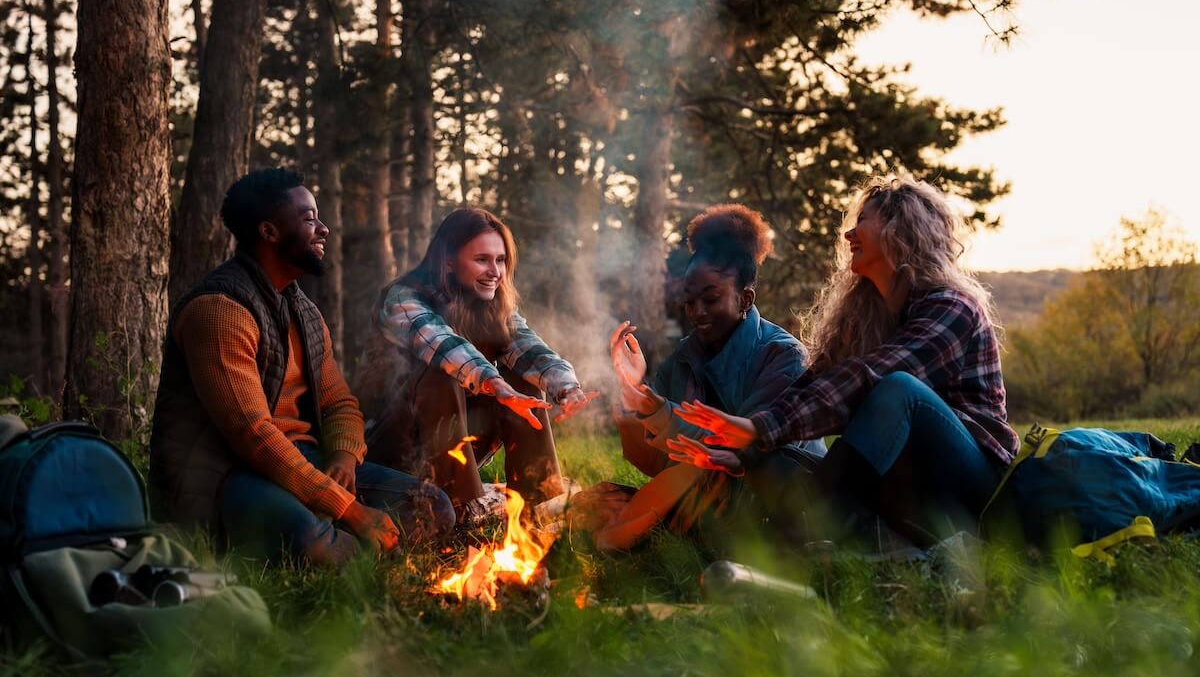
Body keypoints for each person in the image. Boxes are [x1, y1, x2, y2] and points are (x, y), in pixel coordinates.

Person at [672, 174, 1020, 547]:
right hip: (906, 485)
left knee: (898, 389)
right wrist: (747, 450)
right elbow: (814, 382)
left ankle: (796, 543)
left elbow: (870, 377)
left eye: (863, 220)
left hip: (969, 491)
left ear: (899, 230)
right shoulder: (866, 317)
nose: (848, 234)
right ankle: (865, 548)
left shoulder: (953, 308)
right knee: (776, 460)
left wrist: (762, 427)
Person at [149, 168, 455, 568]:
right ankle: (342, 544)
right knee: (317, 544)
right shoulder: (219, 311)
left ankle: (347, 540)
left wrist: (344, 458)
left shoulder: (303, 311)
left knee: (433, 506)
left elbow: (339, 402)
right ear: (270, 232)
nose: (323, 228)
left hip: (306, 462)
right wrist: (346, 507)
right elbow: (253, 436)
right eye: (309, 218)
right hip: (225, 476)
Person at [592, 205, 826, 550]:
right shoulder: (685, 357)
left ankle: (629, 535)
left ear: (745, 298)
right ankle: (638, 528)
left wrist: (656, 411)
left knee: (694, 476)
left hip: (772, 506)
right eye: (689, 301)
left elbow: (734, 452)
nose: (697, 312)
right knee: (595, 502)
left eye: (711, 299)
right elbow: (653, 462)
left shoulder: (783, 355)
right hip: (698, 498)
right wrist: (630, 393)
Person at [357, 208, 596, 525]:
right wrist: (494, 383)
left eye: (500, 260)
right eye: (482, 259)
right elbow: (443, 344)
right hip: (388, 451)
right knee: (445, 374)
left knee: (521, 379)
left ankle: (535, 502)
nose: (495, 271)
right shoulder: (404, 298)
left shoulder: (493, 306)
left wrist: (568, 388)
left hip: (448, 447)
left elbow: (528, 347)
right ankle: (463, 505)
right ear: (449, 262)